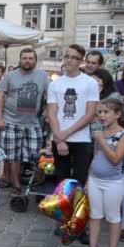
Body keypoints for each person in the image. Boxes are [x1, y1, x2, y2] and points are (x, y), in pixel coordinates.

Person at [79, 99, 124, 247]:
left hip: (113, 182)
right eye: (99, 112)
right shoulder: (101, 132)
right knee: (95, 215)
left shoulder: (123, 135)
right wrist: (88, 180)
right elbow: (95, 158)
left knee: (113, 217)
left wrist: (101, 140)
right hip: (95, 179)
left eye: (106, 112)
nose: (101, 115)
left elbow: (116, 159)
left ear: (117, 114)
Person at [0, 48, 49, 196]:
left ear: (35, 60)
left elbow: (50, 96)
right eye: (24, 58)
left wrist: (48, 112)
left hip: (33, 123)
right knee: (13, 157)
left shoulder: (42, 75)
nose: (27, 60)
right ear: (20, 60)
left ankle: (37, 185)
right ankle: (17, 186)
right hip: (11, 122)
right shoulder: (10, 76)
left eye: (31, 58)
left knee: (37, 156)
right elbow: (0, 96)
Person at [46, 44, 99, 186]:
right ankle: (63, 209)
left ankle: (77, 209)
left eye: (73, 57)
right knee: (61, 183)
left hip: (81, 139)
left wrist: (66, 133)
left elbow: (90, 114)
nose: (69, 60)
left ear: (81, 61)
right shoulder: (55, 84)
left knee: (79, 181)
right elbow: (52, 113)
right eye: (67, 56)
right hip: (58, 139)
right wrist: (60, 139)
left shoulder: (90, 83)